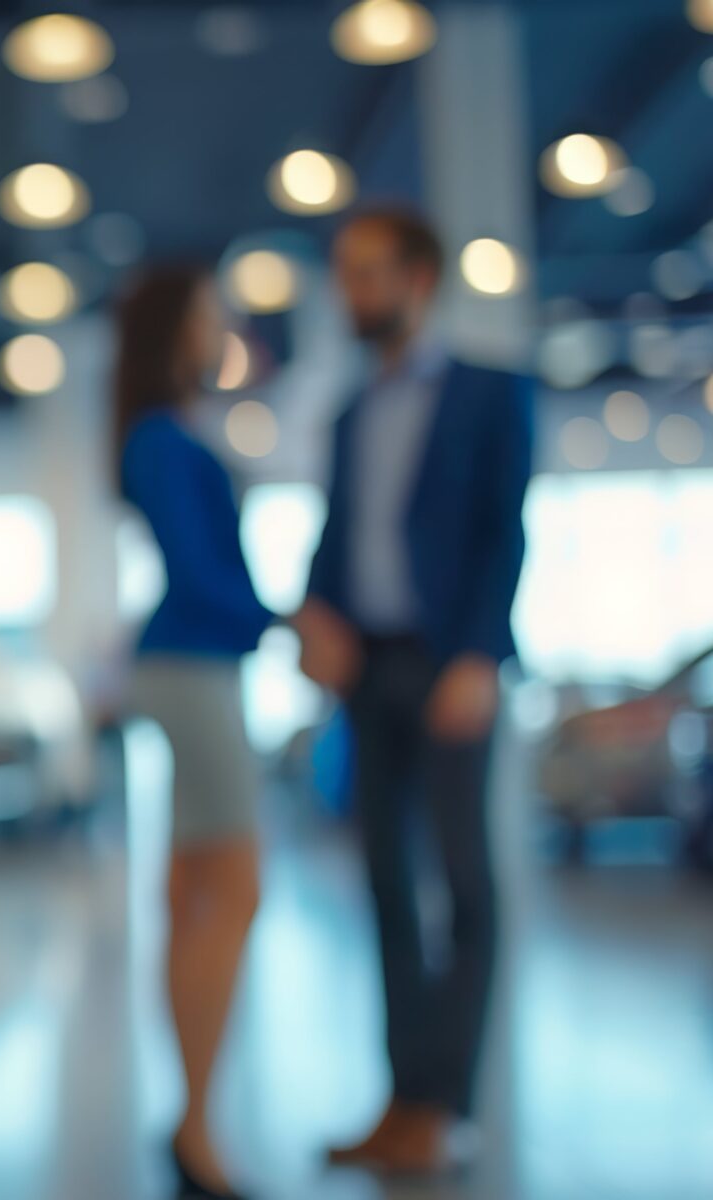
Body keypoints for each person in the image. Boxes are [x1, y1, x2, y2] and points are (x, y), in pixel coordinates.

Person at [293, 207, 534, 1174]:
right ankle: (401, 1101)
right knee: (386, 885)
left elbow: (504, 532)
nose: (353, 292)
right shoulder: (351, 414)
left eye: (367, 273)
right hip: (369, 666)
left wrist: (480, 652)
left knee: (465, 883)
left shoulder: (488, 393)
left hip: (451, 666)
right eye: (343, 274)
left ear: (418, 277)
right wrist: (313, 610)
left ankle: (449, 1107)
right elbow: (337, 536)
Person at [115, 264, 275, 1200]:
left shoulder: (160, 434)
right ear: (178, 328)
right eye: (213, 317)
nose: (223, 332)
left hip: (186, 668)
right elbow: (200, 575)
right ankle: (197, 1126)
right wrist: (285, 623)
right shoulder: (163, 440)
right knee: (233, 888)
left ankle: (191, 1120)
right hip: (195, 672)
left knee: (191, 895)